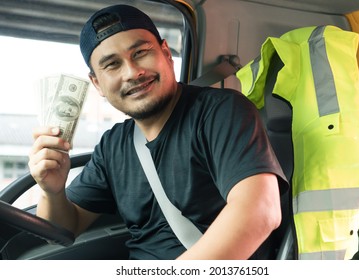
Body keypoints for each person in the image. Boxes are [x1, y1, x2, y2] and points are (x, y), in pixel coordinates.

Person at [28, 4, 288, 260]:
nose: (132, 72)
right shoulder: (113, 145)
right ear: (97, 83)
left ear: (165, 53)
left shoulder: (221, 111)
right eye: (112, 65)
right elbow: (63, 231)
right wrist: (51, 191)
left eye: (141, 52)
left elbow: (260, 211)